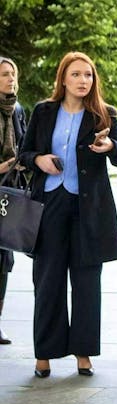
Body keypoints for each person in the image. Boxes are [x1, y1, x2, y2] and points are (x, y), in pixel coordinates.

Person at [18, 52, 117, 378]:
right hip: (49, 206)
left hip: (89, 211)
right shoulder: (43, 111)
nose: (83, 81)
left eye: (89, 75)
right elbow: (25, 153)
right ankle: (45, 355)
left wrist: (109, 147)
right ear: (63, 78)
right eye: (77, 75)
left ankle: (83, 353)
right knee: (48, 281)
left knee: (86, 283)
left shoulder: (104, 115)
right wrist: (39, 160)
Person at [0, 56, 27, 345]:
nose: (11, 79)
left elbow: (25, 142)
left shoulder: (17, 108)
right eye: (5, 75)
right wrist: (6, 166)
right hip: (4, 177)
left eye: (12, 74)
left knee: (4, 259)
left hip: (8, 193)